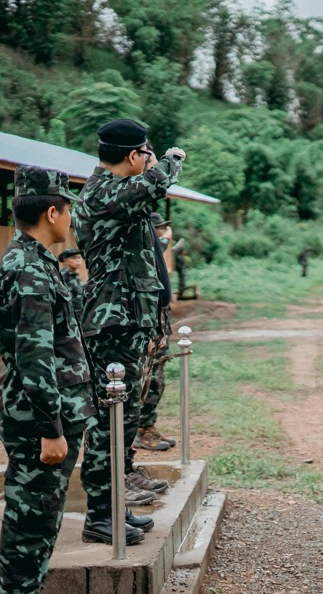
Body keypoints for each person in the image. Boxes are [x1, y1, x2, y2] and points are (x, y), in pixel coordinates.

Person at [0, 166, 106, 593]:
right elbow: (34, 356)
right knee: (30, 528)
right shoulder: (30, 271)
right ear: (53, 212)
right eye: (69, 211)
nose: (72, 220)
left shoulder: (33, 261)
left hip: (48, 413)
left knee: (39, 525)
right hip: (40, 420)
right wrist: (51, 429)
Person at [74, 119, 185, 543]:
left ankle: (111, 507)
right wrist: (171, 159)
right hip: (111, 319)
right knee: (108, 416)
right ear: (135, 155)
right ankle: (99, 515)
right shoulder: (104, 191)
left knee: (125, 414)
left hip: (127, 317)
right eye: (145, 154)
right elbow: (155, 184)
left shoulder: (120, 194)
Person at [135, 212, 177, 452]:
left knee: (157, 381)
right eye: (158, 228)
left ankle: (148, 426)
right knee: (148, 381)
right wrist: (163, 241)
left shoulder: (153, 253)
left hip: (158, 327)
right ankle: (141, 430)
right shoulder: (146, 252)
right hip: (150, 328)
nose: (162, 232)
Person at [58, 247, 86, 320]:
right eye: (73, 258)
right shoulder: (63, 276)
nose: (77, 260)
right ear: (65, 260)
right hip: (69, 317)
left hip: (79, 316)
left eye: (79, 257)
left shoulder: (75, 276)